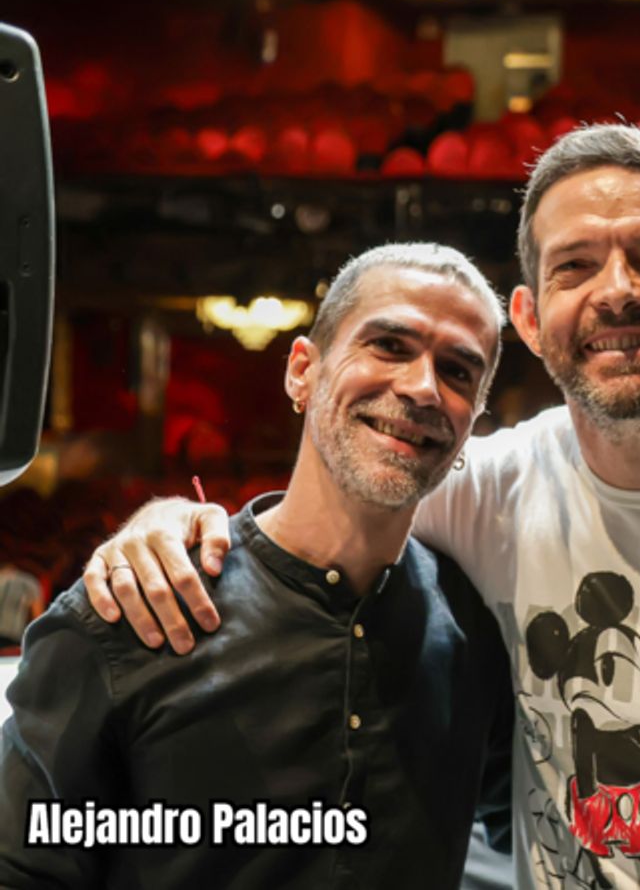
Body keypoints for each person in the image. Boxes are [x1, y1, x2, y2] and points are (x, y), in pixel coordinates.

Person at [83, 124, 640, 889]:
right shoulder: (485, 488)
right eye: (575, 267)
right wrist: (168, 517)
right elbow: (325, 504)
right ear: (528, 319)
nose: (616, 290)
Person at [0, 243, 516, 888]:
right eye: (388, 345)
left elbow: (544, 823)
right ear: (302, 371)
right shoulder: (134, 609)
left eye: (459, 372)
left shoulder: (476, 633)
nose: (421, 387)